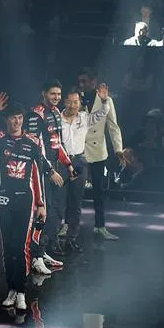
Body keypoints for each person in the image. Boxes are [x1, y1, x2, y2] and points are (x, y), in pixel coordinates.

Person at [0, 93, 64, 311]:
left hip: (26, 201)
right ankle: (11, 289)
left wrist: (41, 204)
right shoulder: (1, 140)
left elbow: (38, 176)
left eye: (20, 117)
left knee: (21, 246)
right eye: (12, 118)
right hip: (4, 200)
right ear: (7, 120)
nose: (17, 121)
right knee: (8, 247)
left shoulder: (33, 143)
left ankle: (21, 291)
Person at [25, 81, 75, 267]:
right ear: (43, 94)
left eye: (59, 94)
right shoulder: (35, 115)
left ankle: (42, 251)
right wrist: (50, 170)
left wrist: (68, 165)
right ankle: (35, 256)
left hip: (53, 169)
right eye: (53, 93)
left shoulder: (55, 113)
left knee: (53, 211)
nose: (56, 97)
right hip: (39, 171)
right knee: (40, 212)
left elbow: (56, 143)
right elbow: (35, 148)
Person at [77, 68, 126, 240]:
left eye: (85, 81)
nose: (81, 84)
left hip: (98, 150)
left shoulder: (107, 101)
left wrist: (118, 149)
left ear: (93, 81)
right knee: (74, 191)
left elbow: (113, 127)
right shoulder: (76, 99)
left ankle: (100, 226)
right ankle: (68, 225)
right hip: (78, 150)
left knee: (99, 190)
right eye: (80, 81)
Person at [58, 84, 110, 239]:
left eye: (76, 102)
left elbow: (102, 113)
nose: (73, 105)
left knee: (76, 201)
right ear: (64, 102)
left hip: (80, 161)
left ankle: (72, 236)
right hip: (61, 162)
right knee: (59, 201)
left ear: (80, 103)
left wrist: (105, 100)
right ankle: (56, 231)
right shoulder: (56, 119)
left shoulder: (84, 118)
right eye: (69, 102)